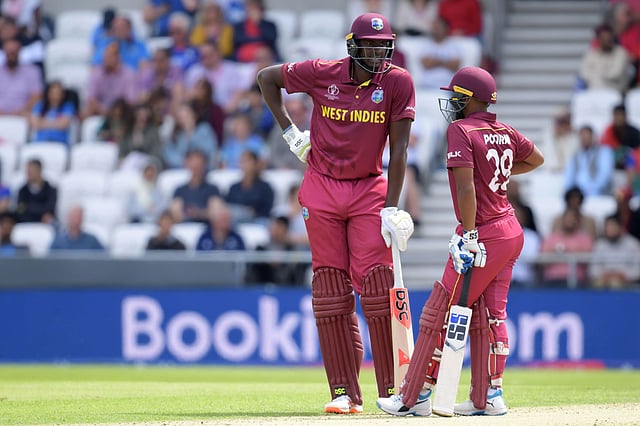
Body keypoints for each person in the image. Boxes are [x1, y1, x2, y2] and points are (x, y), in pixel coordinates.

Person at [257, 12, 417, 414]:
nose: (380, 53)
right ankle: (343, 393)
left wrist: (392, 207)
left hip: (368, 189)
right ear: (354, 46)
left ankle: (394, 389)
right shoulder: (321, 72)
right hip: (322, 187)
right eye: (372, 46)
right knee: (330, 290)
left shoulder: (397, 82)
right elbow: (267, 78)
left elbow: (399, 151)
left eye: (385, 46)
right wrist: (291, 132)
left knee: (379, 287)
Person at [377, 66, 544, 417]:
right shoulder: (504, 130)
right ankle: (488, 397)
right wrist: (496, 171)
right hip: (511, 230)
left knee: (439, 310)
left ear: (470, 99)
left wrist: (469, 234)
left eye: (457, 96)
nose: (452, 102)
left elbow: (467, 189)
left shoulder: (460, 130)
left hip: (482, 233)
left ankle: (414, 396)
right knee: (491, 314)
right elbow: (536, 158)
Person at [540, 208, 594, 287]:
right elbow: (542, 260)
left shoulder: (585, 238)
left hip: (577, 281)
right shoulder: (551, 238)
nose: (569, 220)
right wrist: (556, 253)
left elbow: (587, 259)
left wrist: (566, 252)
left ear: (578, 220)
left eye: (573, 218)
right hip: (552, 280)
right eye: (567, 218)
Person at [589, 213, 640, 288]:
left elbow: (637, 270)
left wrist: (622, 275)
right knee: (598, 283)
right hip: (604, 281)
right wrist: (605, 275)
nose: (610, 229)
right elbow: (593, 270)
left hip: (627, 284)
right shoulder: (599, 245)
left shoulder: (632, 244)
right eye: (607, 226)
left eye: (613, 226)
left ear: (621, 227)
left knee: (615, 283)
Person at [170, 149, 221, 223]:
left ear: (204, 165)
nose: (196, 166)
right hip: (184, 227)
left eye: (199, 163)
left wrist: (198, 213)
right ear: (187, 164)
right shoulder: (180, 190)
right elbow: (175, 214)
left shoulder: (212, 189)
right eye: (193, 162)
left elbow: (216, 213)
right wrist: (188, 214)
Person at [225, 149, 274, 223]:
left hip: (257, 222)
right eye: (242, 162)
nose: (244, 165)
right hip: (235, 222)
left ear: (255, 163)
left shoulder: (265, 188)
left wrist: (252, 212)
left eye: (247, 161)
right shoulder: (234, 188)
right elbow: (228, 206)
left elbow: (266, 210)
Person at [578, 24, 630, 93]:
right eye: (603, 38)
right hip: (594, 92)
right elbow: (584, 73)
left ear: (612, 37)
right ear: (598, 39)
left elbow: (614, 74)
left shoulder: (621, 53)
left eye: (608, 38)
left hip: (615, 91)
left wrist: (596, 72)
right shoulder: (591, 54)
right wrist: (602, 72)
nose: (606, 40)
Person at [416, 16, 461, 90]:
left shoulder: (453, 45)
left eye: (438, 27)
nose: (436, 30)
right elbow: (426, 64)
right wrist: (445, 62)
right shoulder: (426, 44)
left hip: (447, 86)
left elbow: (455, 65)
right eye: (434, 27)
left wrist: (435, 61)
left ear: (446, 29)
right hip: (427, 86)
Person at [0, 37, 42, 116]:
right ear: (4, 52)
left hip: (23, 115)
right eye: (9, 52)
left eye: (14, 52)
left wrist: (22, 110)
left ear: (19, 51)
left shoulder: (32, 71)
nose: (12, 55)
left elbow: (37, 96)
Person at [30, 80, 76, 145]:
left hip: (60, 143)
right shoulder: (40, 106)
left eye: (59, 92)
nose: (56, 95)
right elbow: (35, 124)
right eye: (54, 92)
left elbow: (64, 124)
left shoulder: (68, 106)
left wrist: (43, 122)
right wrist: (56, 123)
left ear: (63, 94)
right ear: (48, 93)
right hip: (40, 142)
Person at [15, 158, 57, 224]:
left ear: (39, 171)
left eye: (30, 172)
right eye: (27, 172)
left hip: (45, 223)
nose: (28, 174)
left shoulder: (50, 190)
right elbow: (20, 211)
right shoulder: (23, 191)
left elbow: (50, 209)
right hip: (26, 222)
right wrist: (41, 209)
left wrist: (28, 207)